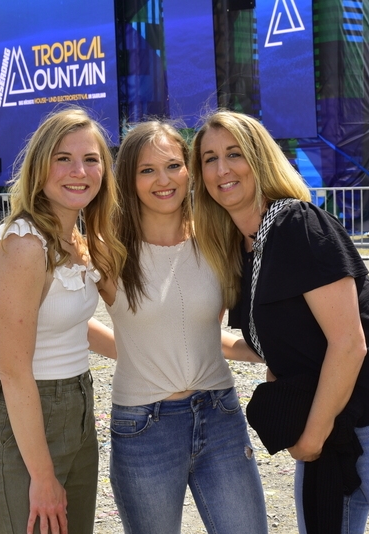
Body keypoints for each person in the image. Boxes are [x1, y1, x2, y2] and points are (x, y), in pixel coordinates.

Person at [190, 110, 369, 534]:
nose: (222, 169)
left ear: (260, 159)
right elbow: (271, 345)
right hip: (328, 422)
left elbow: (349, 342)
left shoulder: (297, 223)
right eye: (210, 159)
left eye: (234, 154)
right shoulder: (241, 249)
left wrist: (310, 438)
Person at [98, 120, 269, 534]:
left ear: (189, 171)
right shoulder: (107, 251)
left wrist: (258, 352)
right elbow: (61, 310)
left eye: (173, 166)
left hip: (220, 414)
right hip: (143, 427)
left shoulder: (216, 239)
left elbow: (199, 329)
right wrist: (133, 349)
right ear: (129, 178)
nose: (164, 180)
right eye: (147, 170)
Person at [0, 108, 125, 534]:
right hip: (26, 414)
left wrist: (144, 358)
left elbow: (64, 326)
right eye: (63, 159)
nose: (80, 171)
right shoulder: (26, 244)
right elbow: (14, 370)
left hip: (77, 404)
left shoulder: (74, 238)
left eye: (91, 159)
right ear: (40, 167)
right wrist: (41, 477)